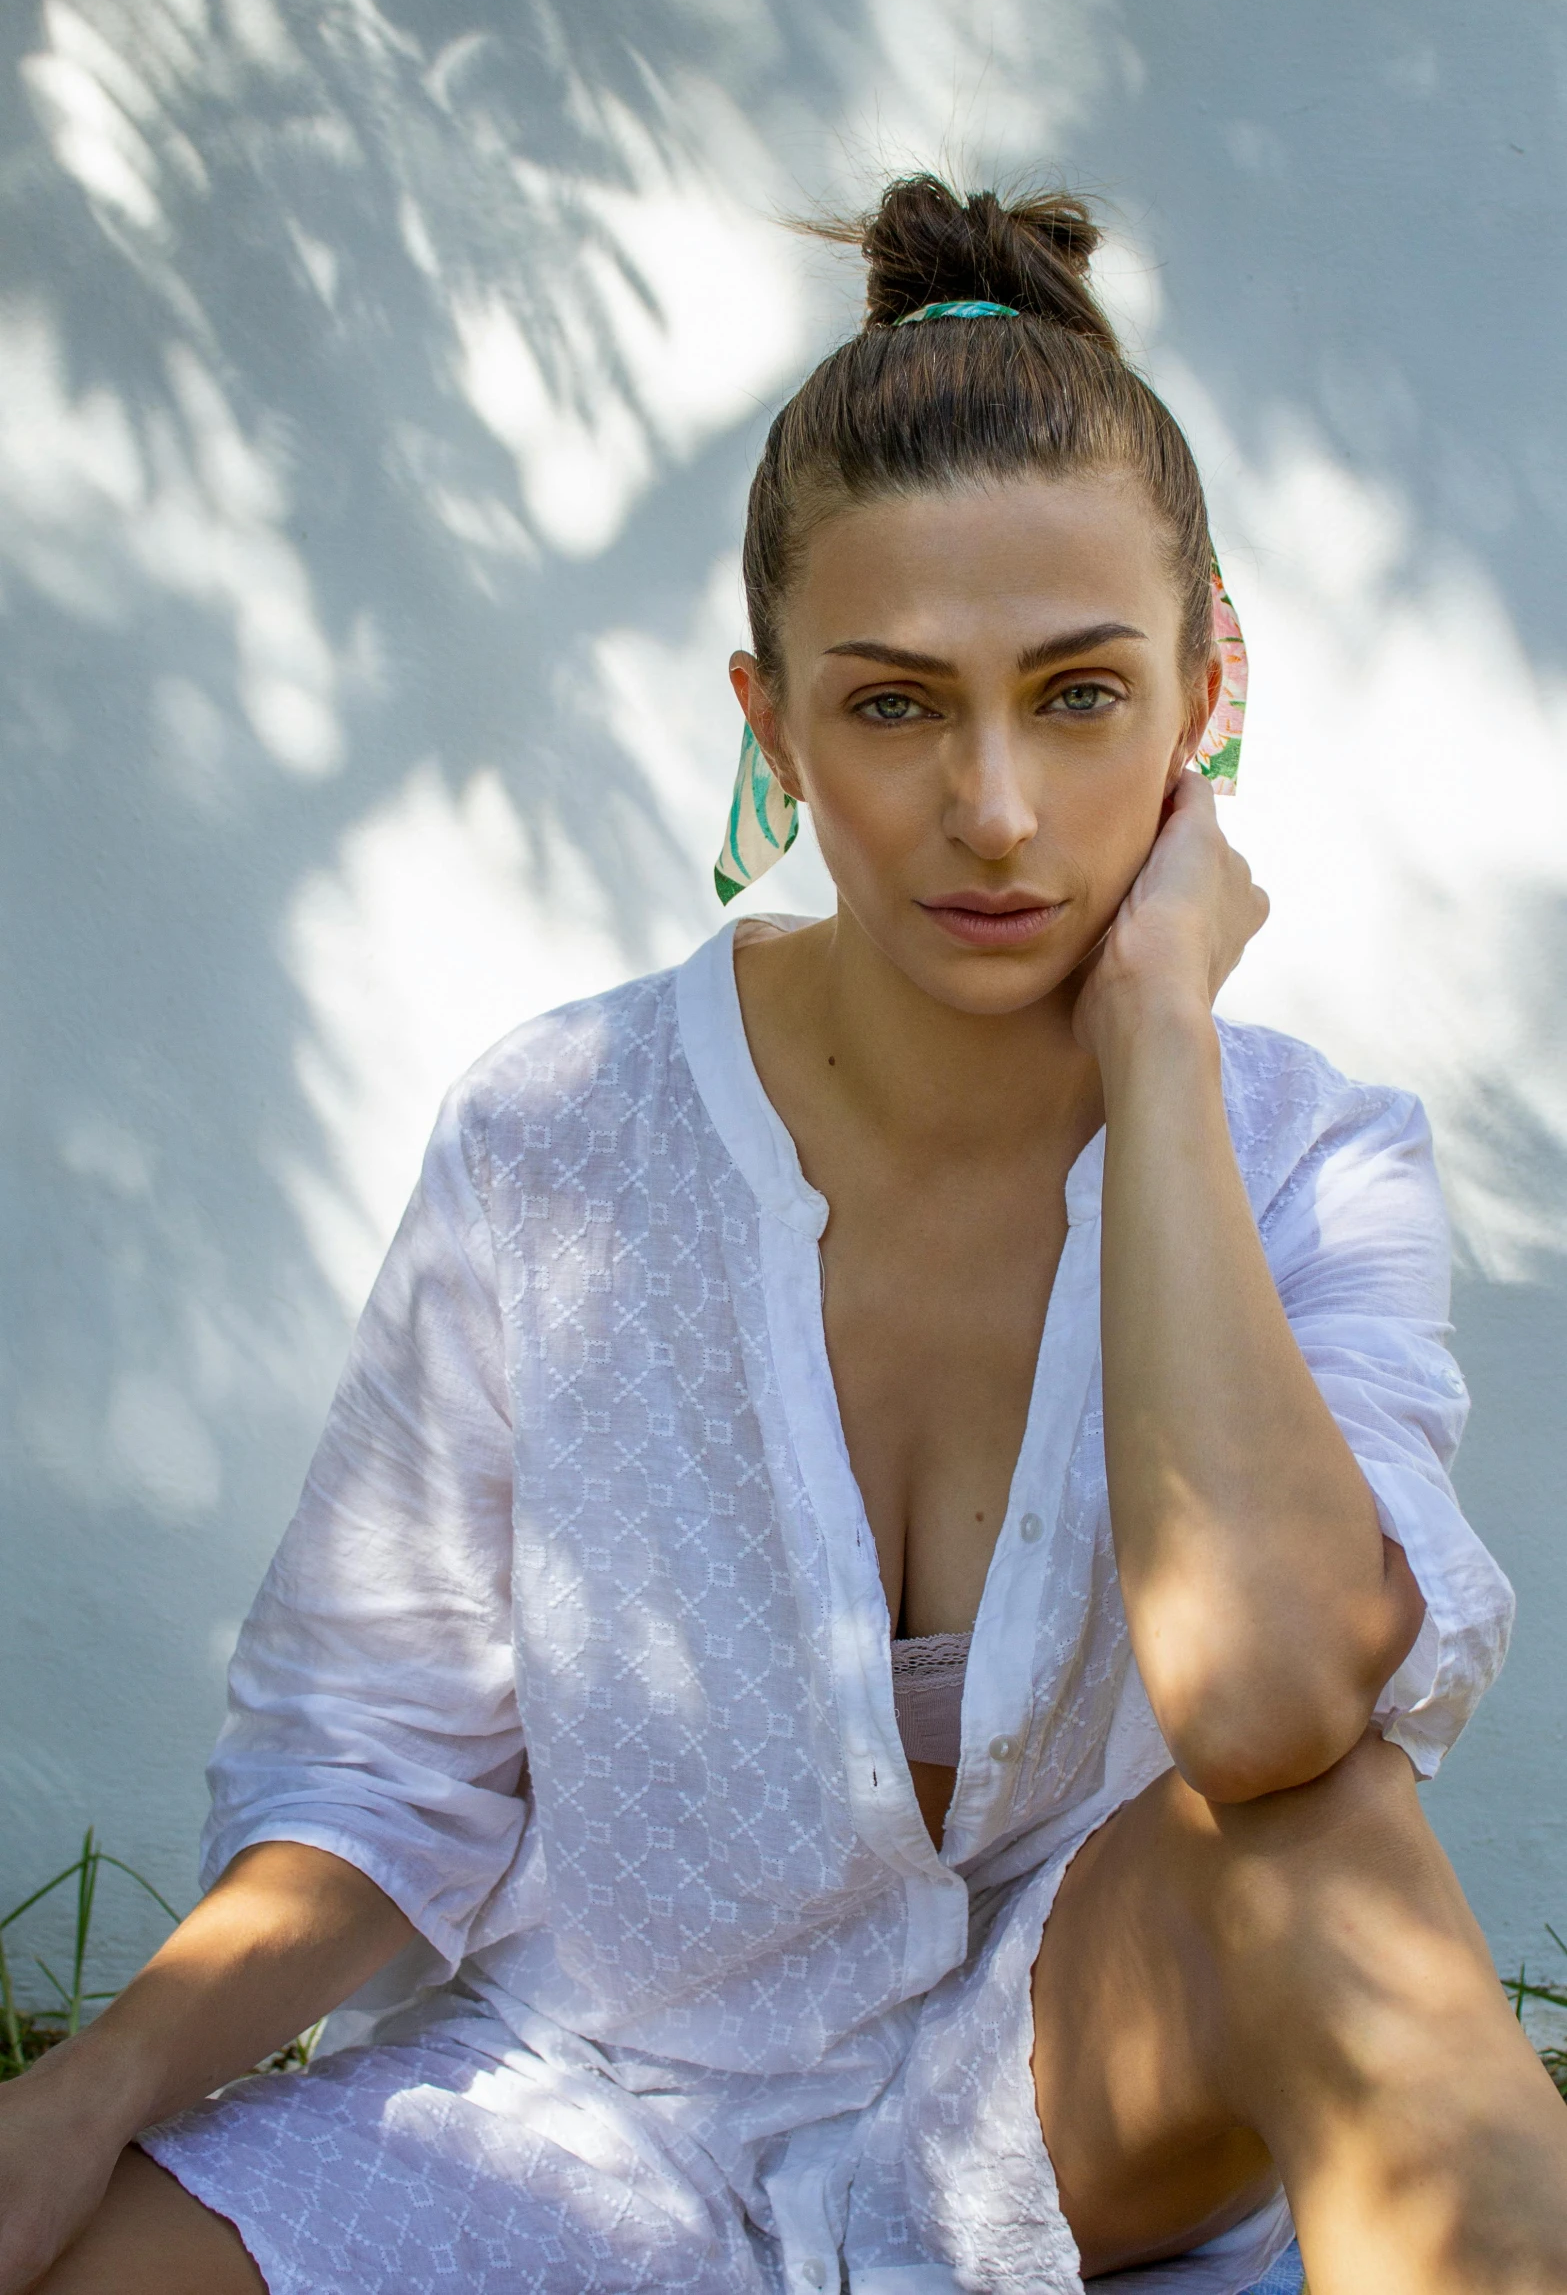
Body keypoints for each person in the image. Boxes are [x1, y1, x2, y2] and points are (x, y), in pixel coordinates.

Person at [1, 173, 1561, 2295]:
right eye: (897, 703)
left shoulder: (1312, 1162)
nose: (995, 808)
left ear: (1210, 694)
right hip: (597, 2105)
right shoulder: (558, 1135)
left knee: (1332, 1846)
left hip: (1053, 2131)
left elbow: (1275, 1706)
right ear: (774, 724)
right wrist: (83, 2093)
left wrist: (1164, 1044)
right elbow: (388, 1765)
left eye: (1083, 694)